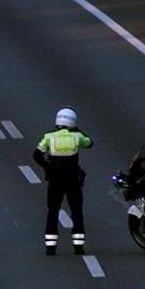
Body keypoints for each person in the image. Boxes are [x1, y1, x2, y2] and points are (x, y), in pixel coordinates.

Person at [33, 107, 93, 255]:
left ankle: (50, 246)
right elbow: (89, 143)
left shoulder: (49, 136)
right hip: (72, 179)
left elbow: (37, 154)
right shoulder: (77, 136)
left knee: (53, 211)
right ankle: (78, 246)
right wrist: (78, 131)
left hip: (55, 179)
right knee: (76, 211)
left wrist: (48, 167)